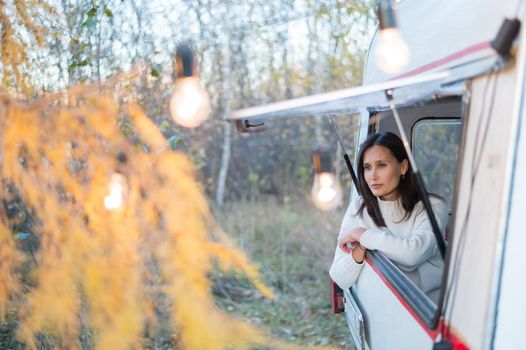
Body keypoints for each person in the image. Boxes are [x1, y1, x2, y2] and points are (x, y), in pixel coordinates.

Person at [329, 132, 448, 301]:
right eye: (367, 167)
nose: (373, 176)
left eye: (381, 165)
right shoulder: (359, 206)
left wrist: (364, 235)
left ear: (403, 167)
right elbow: (340, 277)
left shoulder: (432, 206)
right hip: (384, 309)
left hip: (430, 313)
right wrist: (361, 248)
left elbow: (412, 254)